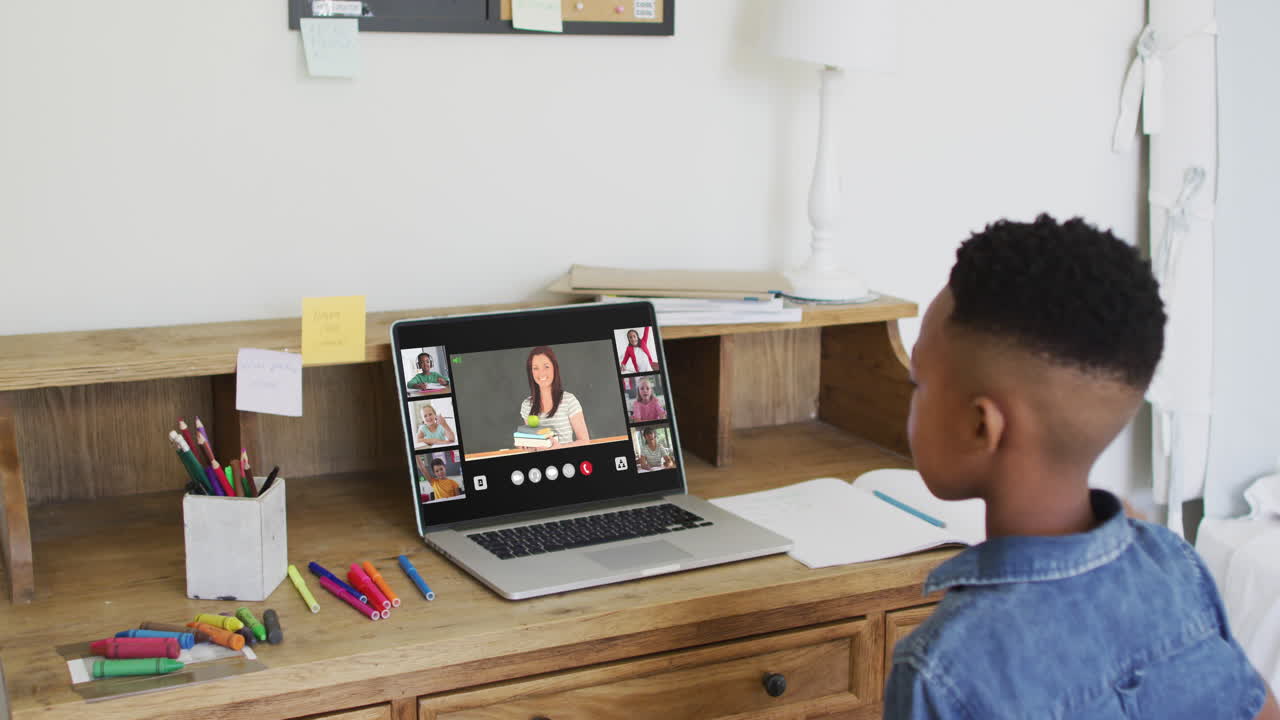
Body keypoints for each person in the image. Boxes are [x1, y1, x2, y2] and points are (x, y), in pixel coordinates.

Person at [884, 215, 1279, 720]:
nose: (911, 398)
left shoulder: (943, 667)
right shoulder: (1173, 563)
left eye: (919, 382)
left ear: (981, 426)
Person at [519, 346, 590, 448]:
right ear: (531, 372)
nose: (541, 373)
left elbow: (585, 441)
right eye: (535, 368)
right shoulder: (526, 406)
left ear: (554, 368)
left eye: (546, 366)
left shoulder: (569, 400)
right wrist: (527, 445)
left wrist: (560, 447)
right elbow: (534, 445)